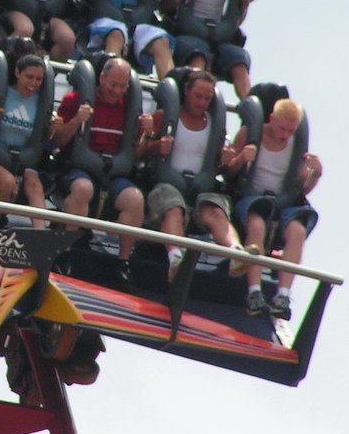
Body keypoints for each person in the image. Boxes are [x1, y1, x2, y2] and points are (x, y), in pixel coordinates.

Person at [144, 69, 248, 281]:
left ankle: (236, 253)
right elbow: (140, 152)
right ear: (186, 91)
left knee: (217, 210)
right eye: (198, 96)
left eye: (207, 98)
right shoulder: (163, 118)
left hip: (200, 192)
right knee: (173, 206)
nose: (202, 102)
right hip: (166, 188)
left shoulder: (215, 128)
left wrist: (228, 160)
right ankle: (175, 260)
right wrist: (156, 146)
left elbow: (223, 170)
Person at [225, 97, 322, 320]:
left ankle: (283, 296)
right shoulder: (251, 134)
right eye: (281, 128)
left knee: (297, 230)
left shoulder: (296, 146)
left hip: (282, 205)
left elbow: (301, 191)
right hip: (250, 199)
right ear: (271, 119)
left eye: (290, 131)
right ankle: (254, 293)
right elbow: (227, 172)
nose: (285, 135)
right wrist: (240, 158)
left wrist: (315, 175)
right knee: (257, 223)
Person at [52, 57, 147, 281]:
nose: (118, 91)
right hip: (78, 169)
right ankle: (63, 254)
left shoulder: (130, 108)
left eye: (123, 86)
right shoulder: (75, 99)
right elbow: (57, 141)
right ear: (101, 78)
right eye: (113, 84)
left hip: (114, 174)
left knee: (135, 199)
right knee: (83, 188)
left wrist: (146, 133)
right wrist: (76, 120)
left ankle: (123, 262)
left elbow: (139, 155)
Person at [0, 53, 58, 228]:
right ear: (17, 73)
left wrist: (53, 129)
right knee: (6, 181)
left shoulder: (41, 104)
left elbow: (45, 142)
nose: (33, 84)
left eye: (39, 79)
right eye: (29, 77)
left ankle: (40, 235)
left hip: (23, 162)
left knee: (35, 185)